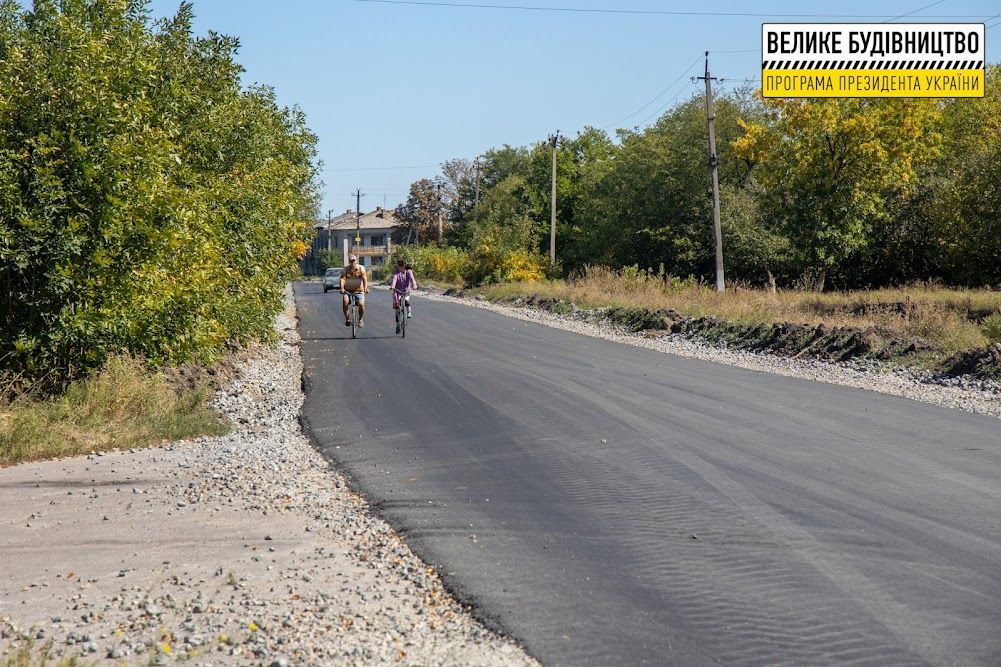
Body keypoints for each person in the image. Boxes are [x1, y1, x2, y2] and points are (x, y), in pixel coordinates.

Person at [339, 254, 369, 327]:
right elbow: (342, 279)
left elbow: (365, 279)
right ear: (349, 261)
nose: (353, 262)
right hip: (348, 291)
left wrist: (365, 288)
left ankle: (360, 320)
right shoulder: (345, 269)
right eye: (351, 261)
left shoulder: (361, 268)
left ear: (356, 261)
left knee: (361, 304)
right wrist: (342, 288)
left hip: (359, 291)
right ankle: (347, 319)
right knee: (345, 301)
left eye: (354, 261)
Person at [390, 260, 419, 334]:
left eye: (400, 266)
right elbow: (394, 279)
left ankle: (409, 312)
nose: (398, 267)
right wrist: (392, 286)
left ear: (404, 266)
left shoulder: (409, 271)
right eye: (398, 266)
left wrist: (414, 285)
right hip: (397, 291)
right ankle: (397, 325)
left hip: (406, 291)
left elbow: (412, 279)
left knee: (406, 301)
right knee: (397, 308)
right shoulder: (396, 272)